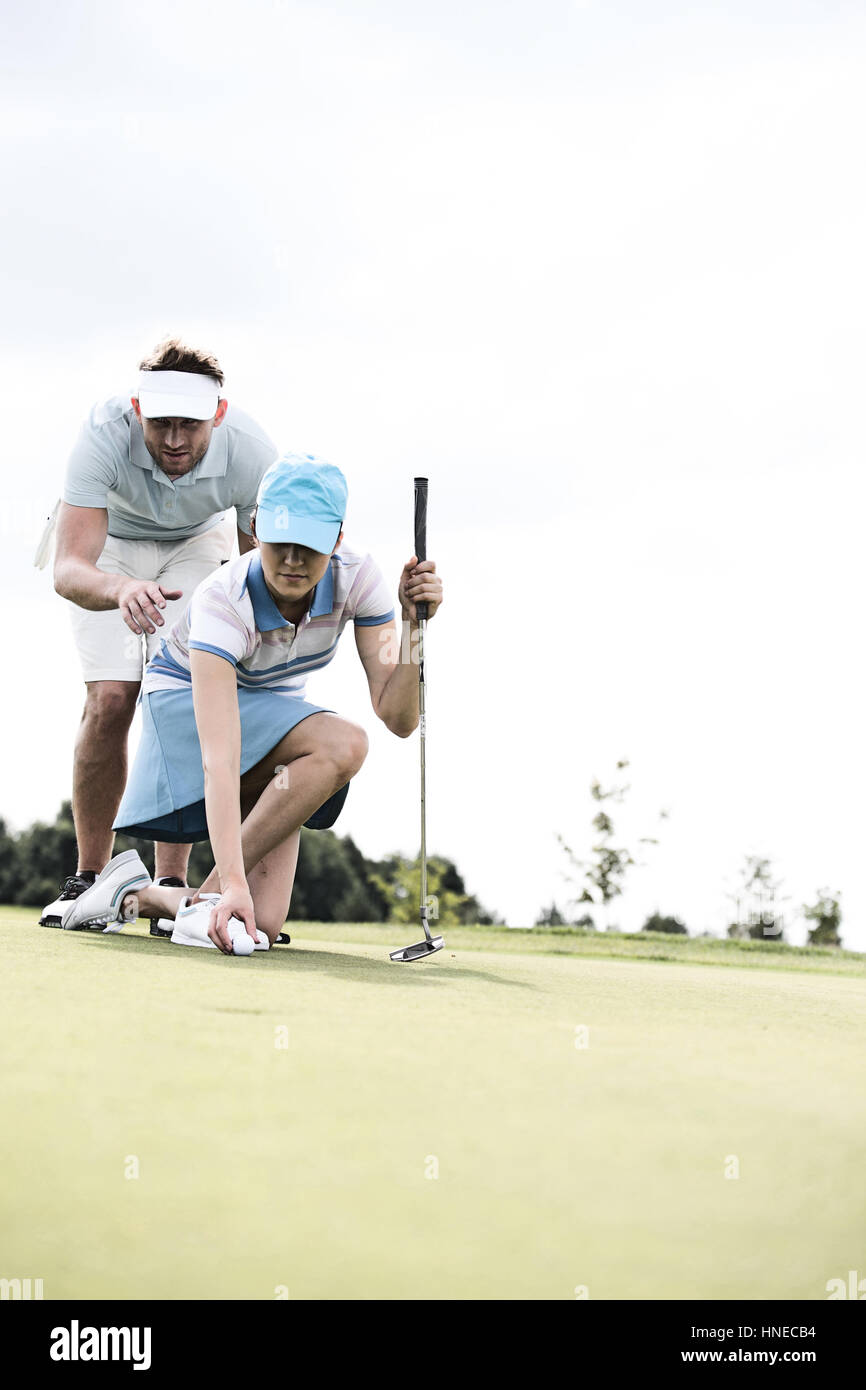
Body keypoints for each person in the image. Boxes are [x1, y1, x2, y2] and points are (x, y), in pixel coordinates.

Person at [60, 455, 443, 953]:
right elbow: (220, 759)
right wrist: (232, 883)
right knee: (342, 744)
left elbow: (399, 719)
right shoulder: (224, 598)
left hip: (266, 722)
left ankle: (130, 895)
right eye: (281, 540)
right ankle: (216, 893)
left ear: (337, 537)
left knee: (259, 921)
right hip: (182, 709)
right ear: (257, 526)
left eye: (309, 545)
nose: (292, 559)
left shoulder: (362, 580)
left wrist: (414, 627)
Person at [41, 338, 277, 930]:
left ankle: (170, 881)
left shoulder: (251, 452)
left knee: (182, 695)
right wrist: (121, 589)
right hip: (109, 549)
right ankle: (89, 878)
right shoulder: (101, 435)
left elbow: (267, 564)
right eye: (161, 423)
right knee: (112, 697)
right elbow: (69, 569)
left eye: (190, 426)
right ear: (137, 410)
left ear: (217, 416)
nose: (175, 440)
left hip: (199, 543)